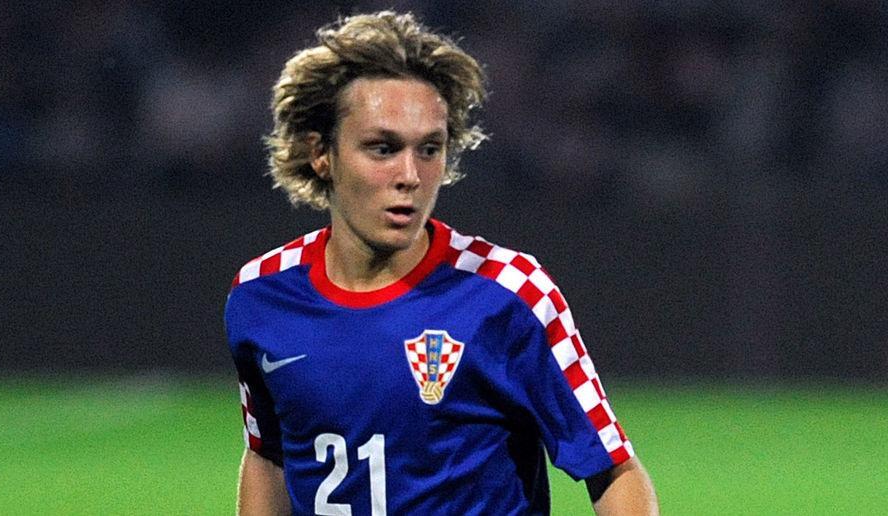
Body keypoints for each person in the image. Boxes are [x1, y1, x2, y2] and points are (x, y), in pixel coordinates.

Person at [226, 11, 658, 515]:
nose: (410, 174)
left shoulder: (509, 294)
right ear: (321, 153)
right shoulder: (261, 298)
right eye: (382, 148)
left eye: (429, 149)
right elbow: (268, 455)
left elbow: (612, 470)